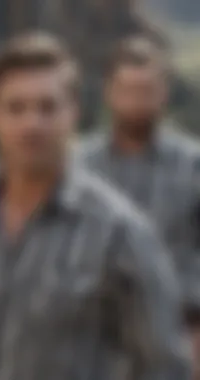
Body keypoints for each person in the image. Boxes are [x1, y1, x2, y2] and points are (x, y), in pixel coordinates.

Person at [0, 32, 190, 380]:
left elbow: (163, 365)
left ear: (73, 115)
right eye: (16, 108)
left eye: (47, 107)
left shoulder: (122, 233)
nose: (32, 124)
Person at [77, 35, 200, 378]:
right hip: (90, 345)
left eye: (147, 91)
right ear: (109, 92)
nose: (136, 102)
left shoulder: (193, 166)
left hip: (177, 340)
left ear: (164, 94)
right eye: (127, 90)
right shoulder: (77, 167)